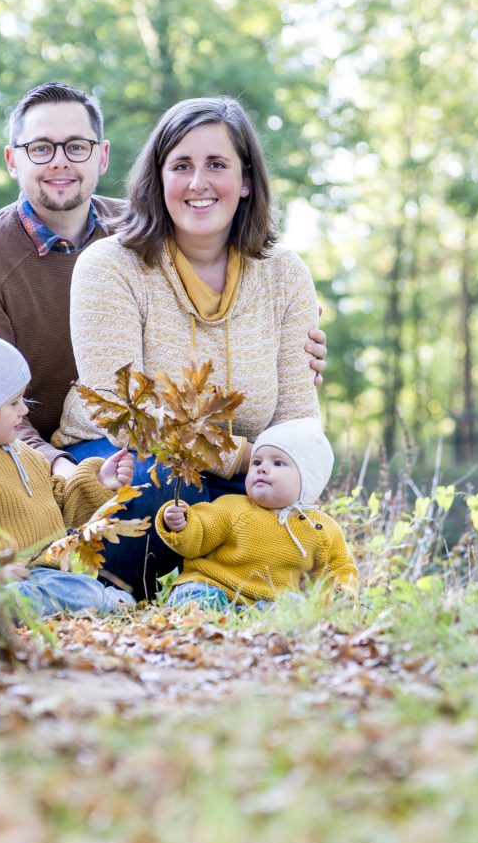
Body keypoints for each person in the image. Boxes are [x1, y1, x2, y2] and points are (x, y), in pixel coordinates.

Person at [0, 82, 327, 478]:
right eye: (40, 148)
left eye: (76, 146)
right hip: (22, 455)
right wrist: (66, 475)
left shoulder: (156, 226)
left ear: (102, 156)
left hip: (160, 445)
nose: (59, 162)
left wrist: (287, 326)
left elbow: (293, 401)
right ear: (12, 160)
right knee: (160, 479)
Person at [53, 96, 328, 599]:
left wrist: (281, 478)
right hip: (122, 462)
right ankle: (117, 590)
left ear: (246, 181)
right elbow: (124, 413)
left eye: (217, 165)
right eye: (181, 165)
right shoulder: (111, 266)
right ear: (158, 180)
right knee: (162, 485)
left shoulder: (284, 273)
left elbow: (297, 422)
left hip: (241, 477)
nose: (198, 183)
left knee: (287, 518)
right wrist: (250, 462)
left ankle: (215, 589)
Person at [0, 327, 135, 617]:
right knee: (27, 593)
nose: (24, 411)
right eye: (13, 403)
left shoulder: (23, 453)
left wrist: (99, 480)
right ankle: (93, 602)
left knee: (61, 586)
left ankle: (86, 600)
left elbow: (61, 509)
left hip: (44, 576)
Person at [155, 418, 358, 607]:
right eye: (257, 462)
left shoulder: (321, 528)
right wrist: (182, 524)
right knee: (194, 596)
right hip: (214, 585)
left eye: (278, 463)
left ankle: (254, 622)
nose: (262, 469)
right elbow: (200, 533)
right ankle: (203, 613)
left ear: (308, 479)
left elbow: (339, 567)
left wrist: (341, 593)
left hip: (270, 601)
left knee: (294, 605)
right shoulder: (233, 507)